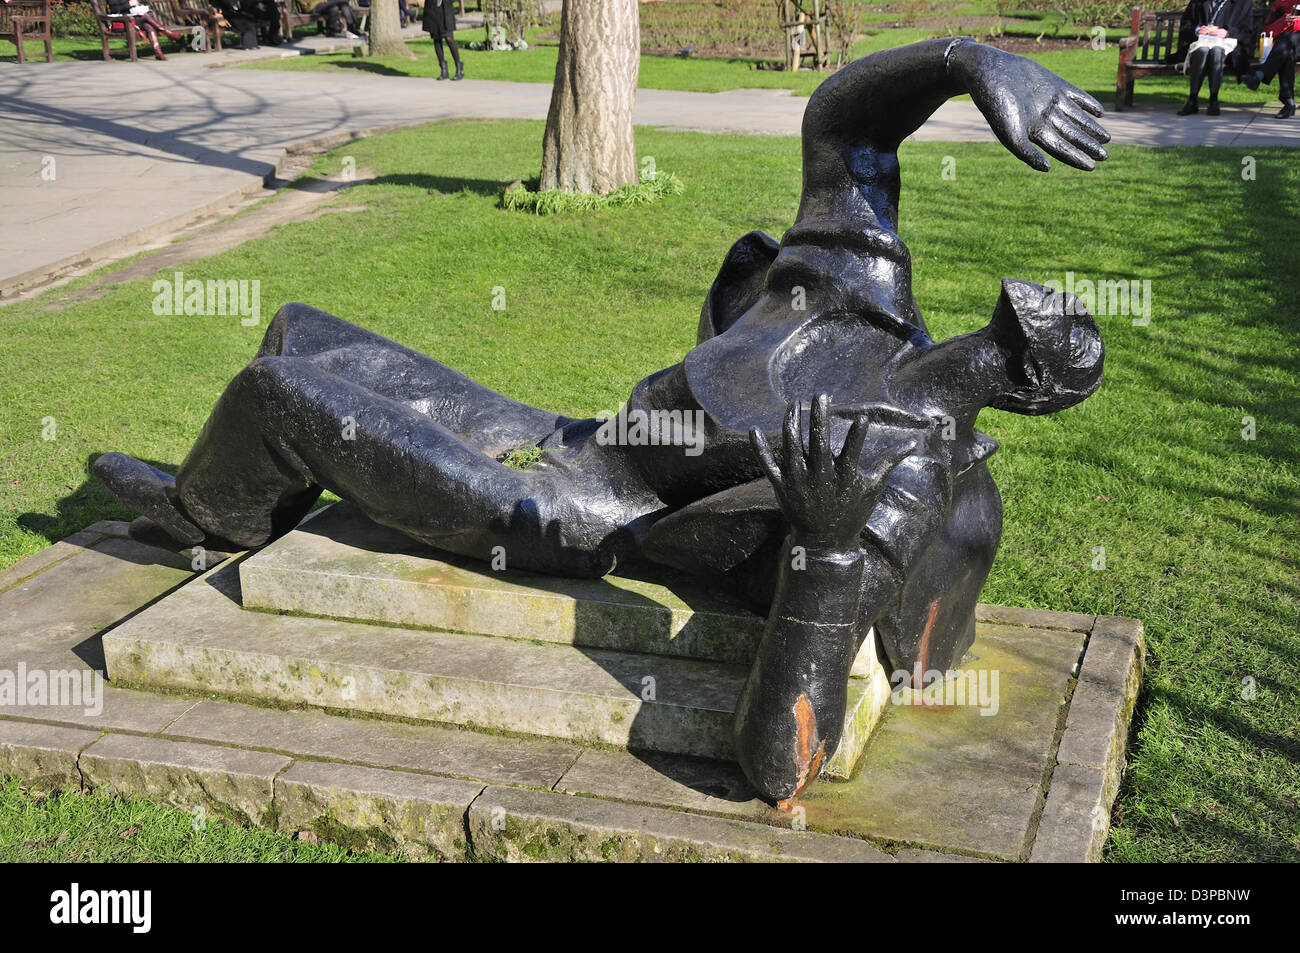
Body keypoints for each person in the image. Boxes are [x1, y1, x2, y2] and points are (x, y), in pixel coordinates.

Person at [93, 39, 1108, 803]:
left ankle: (205, 518)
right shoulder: (853, 289)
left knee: (275, 396)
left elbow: (780, 765)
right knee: (296, 331)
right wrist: (967, 61)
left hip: (556, 505)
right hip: (563, 431)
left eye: (1057, 349)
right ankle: (232, 495)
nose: (1060, 318)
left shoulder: (896, 473)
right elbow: (845, 129)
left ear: (1030, 389)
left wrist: (830, 554)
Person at [1173, 0, 1256, 115]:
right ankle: (1192, 100)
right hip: (1201, 43)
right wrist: (1197, 31)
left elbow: (1246, 31)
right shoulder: (1197, 2)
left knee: (1217, 51)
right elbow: (1185, 27)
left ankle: (1213, 100)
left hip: (1228, 48)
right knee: (1202, 51)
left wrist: (1227, 33)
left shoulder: (1243, 3)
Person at [1243, 0, 1300, 118]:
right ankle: (1289, 102)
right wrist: (1283, 22)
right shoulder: (1281, 3)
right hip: (1286, 48)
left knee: (1288, 40)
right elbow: (1267, 30)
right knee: (1287, 51)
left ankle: (1260, 75)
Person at [105, 0, 184, 60]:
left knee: (149, 26)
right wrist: (129, 4)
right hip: (123, 22)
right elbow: (114, 9)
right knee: (146, 17)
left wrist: (137, 4)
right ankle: (170, 34)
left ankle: (158, 52)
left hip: (134, 19)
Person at [423, 0, 461, 80]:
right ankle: (444, 70)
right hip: (433, 10)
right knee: (437, 40)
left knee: (449, 39)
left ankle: (459, 68)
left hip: (445, 10)